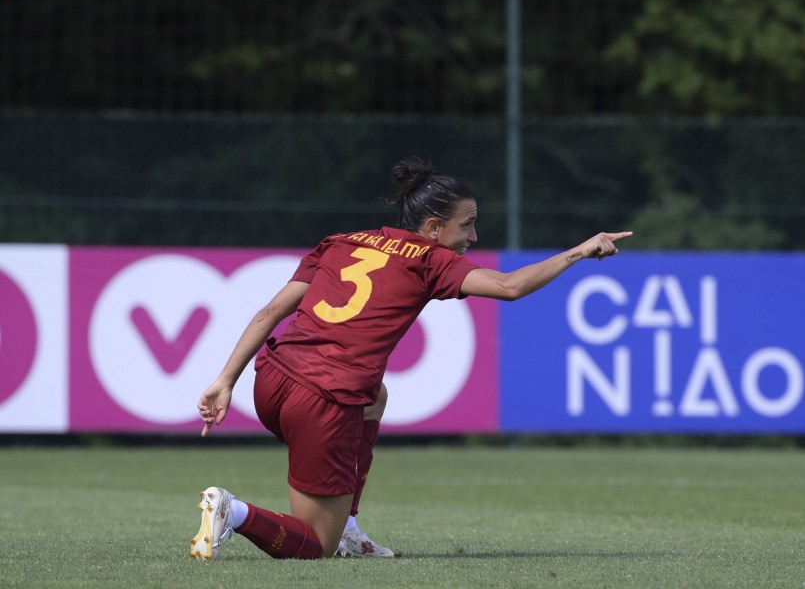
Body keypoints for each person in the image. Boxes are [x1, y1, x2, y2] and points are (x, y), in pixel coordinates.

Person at [189, 156, 632, 561]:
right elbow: (509, 287)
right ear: (435, 227)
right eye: (467, 225)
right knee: (314, 545)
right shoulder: (430, 258)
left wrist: (225, 380)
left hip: (271, 379)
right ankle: (235, 511)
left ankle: (350, 529)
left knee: (375, 396)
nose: (473, 237)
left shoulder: (342, 242)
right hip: (321, 398)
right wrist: (581, 250)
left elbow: (270, 312)